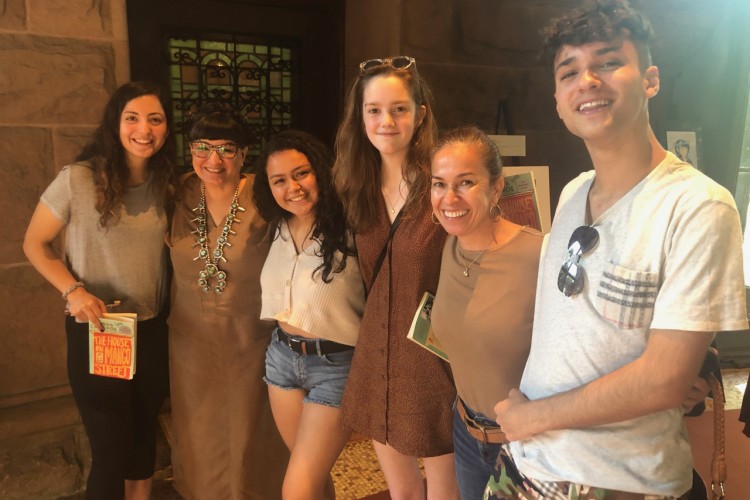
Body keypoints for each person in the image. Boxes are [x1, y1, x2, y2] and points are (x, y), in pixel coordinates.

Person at [488, 1, 748, 498]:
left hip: (615, 482)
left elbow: (662, 382)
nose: (587, 80)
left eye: (608, 62)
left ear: (650, 80)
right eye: (570, 72)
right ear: (559, 100)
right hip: (525, 464)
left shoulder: (698, 205)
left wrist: (528, 417)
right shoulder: (572, 193)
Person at [23, 81, 175, 500]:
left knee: (145, 433)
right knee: (110, 450)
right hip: (98, 331)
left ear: (166, 130)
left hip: (150, 331)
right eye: (132, 118)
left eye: (155, 119)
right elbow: (34, 243)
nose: (143, 129)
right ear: (116, 124)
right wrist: (72, 290)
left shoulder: (169, 186)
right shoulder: (78, 179)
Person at [333, 57, 459, 499]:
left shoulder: (443, 185)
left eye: (399, 108)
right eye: (374, 109)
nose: (386, 121)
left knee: (446, 492)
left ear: (421, 113)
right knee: (403, 493)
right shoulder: (355, 186)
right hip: (379, 357)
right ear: (360, 115)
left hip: (437, 360)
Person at [167, 108, 288, 499]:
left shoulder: (267, 194)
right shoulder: (176, 193)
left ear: (244, 153)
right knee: (200, 439)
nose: (213, 160)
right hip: (191, 345)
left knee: (255, 437)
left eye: (226, 149)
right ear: (190, 150)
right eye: (202, 147)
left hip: (253, 342)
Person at [429, 126, 543, 499]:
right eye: (439, 183)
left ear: (496, 188)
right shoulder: (451, 245)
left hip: (524, 444)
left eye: (465, 183)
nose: (449, 197)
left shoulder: (539, 255)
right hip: (466, 433)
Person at [254, 130, 365, 499]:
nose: (293, 187)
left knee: (298, 487)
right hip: (282, 359)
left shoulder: (351, 225)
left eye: (302, 173)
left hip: (334, 366)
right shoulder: (278, 226)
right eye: (280, 180)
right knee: (312, 478)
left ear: (320, 171)